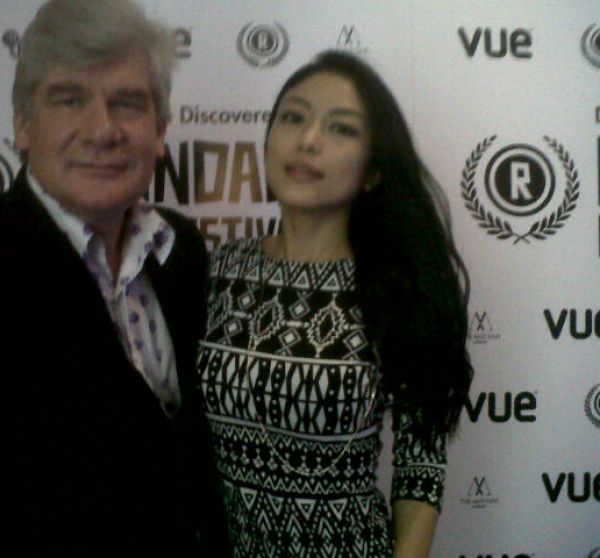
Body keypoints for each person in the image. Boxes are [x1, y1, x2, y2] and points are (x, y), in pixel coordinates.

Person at [0, 1, 227, 556]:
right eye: (70, 99)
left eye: (127, 103)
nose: (102, 129)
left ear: (160, 130)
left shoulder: (182, 253)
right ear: (22, 125)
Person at [197, 50, 473, 558]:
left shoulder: (395, 287)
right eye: (293, 117)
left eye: (341, 128)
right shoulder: (221, 269)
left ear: (372, 171)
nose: (308, 139)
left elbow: (420, 466)